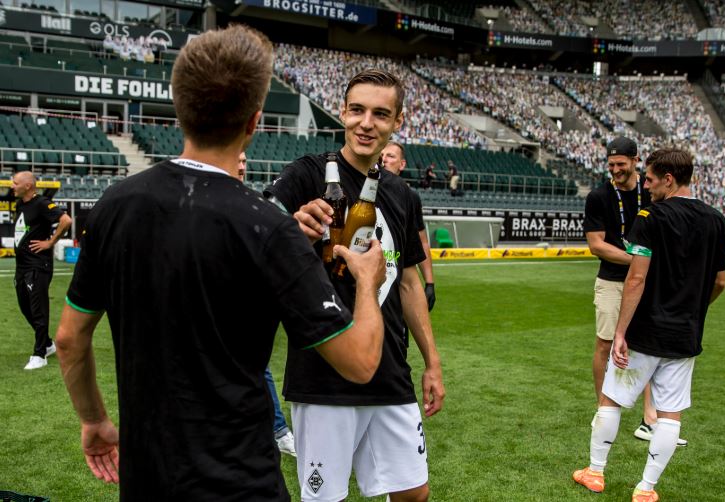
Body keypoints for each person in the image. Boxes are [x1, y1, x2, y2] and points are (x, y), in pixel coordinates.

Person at [55, 25, 387, 501]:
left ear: (179, 109)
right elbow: (359, 363)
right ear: (254, 122)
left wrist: (94, 421)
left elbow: (69, 339)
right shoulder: (268, 226)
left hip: (148, 480)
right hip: (240, 483)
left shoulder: (113, 205)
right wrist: (369, 280)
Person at [265, 69, 445, 502]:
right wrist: (291, 227)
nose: (367, 123)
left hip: (391, 372)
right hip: (323, 375)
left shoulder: (403, 195)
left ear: (397, 121)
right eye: (358, 110)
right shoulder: (307, 175)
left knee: (413, 493)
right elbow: (254, 241)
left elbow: (406, 281)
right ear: (343, 112)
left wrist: (432, 363)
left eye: (381, 114)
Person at [573, 148, 725, 501]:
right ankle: (646, 489)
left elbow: (636, 279)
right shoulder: (717, 220)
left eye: (651, 179)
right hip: (685, 333)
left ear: (669, 180)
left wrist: (621, 332)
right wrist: (692, 312)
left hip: (645, 329)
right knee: (670, 413)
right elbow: (719, 283)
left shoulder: (650, 216)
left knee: (611, 399)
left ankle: (595, 472)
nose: (646, 184)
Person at [584, 136, 685, 445]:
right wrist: (637, 260)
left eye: (621, 164)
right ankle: (603, 409)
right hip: (613, 281)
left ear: (635, 161)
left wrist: (645, 265)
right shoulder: (599, 195)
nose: (615, 169)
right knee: (605, 344)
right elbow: (596, 244)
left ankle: (650, 417)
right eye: (611, 164)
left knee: (648, 346)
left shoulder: (652, 189)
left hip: (650, 283)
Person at [238, 151, 296, 457]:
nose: (242, 164)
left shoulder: (253, 203)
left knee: (258, 364)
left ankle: (277, 430)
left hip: (247, 300)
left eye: (246, 160)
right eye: (238, 158)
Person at [12, 170, 72, 370]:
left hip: (38, 266)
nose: (12, 186)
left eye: (15, 183)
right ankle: (47, 344)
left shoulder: (42, 203)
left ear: (28, 186)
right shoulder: (20, 204)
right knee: (24, 307)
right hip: (21, 267)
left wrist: (50, 242)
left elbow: (66, 220)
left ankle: (39, 355)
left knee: (38, 309)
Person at [380, 141, 436, 311]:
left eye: (390, 156)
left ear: (402, 164)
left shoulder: (411, 197)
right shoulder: (364, 189)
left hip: (399, 280)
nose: (384, 160)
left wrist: (429, 282)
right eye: (381, 156)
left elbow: (421, 240)